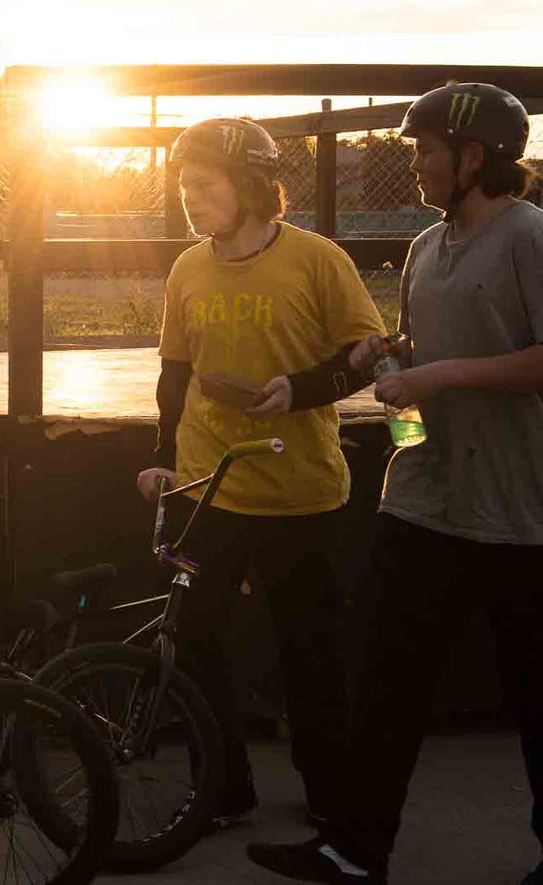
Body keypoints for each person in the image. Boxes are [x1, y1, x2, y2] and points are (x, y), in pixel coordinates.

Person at [249, 83, 543, 885]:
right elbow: (420, 349)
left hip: (519, 511)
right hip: (423, 498)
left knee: (534, 696)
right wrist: (390, 363)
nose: (414, 163)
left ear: (474, 156)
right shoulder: (424, 247)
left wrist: (443, 375)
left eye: (425, 150)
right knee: (382, 678)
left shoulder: (529, 237)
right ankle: (354, 847)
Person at [137, 117, 386, 829]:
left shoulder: (316, 260)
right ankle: (225, 784)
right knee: (193, 635)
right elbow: (173, 373)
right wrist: (160, 457)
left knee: (308, 646)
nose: (190, 197)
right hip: (207, 488)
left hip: (299, 490)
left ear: (249, 186)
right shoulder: (188, 267)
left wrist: (299, 391)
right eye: (183, 185)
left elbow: (361, 355)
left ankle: (332, 792)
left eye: (204, 184)